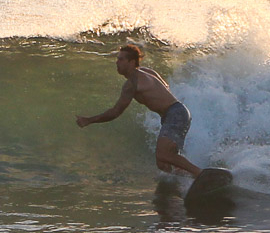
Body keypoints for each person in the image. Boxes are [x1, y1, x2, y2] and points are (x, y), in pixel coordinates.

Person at [76, 44, 202, 178]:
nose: (117, 62)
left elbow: (116, 111)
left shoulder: (132, 84)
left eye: (121, 59)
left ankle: (200, 174)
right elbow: (165, 86)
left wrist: (89, 120)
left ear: (131, 62)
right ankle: (194, 178)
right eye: (117, 59)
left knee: (163, 155)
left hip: (175, 114)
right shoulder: (146, 71)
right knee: (163, 164)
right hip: (176, 113)